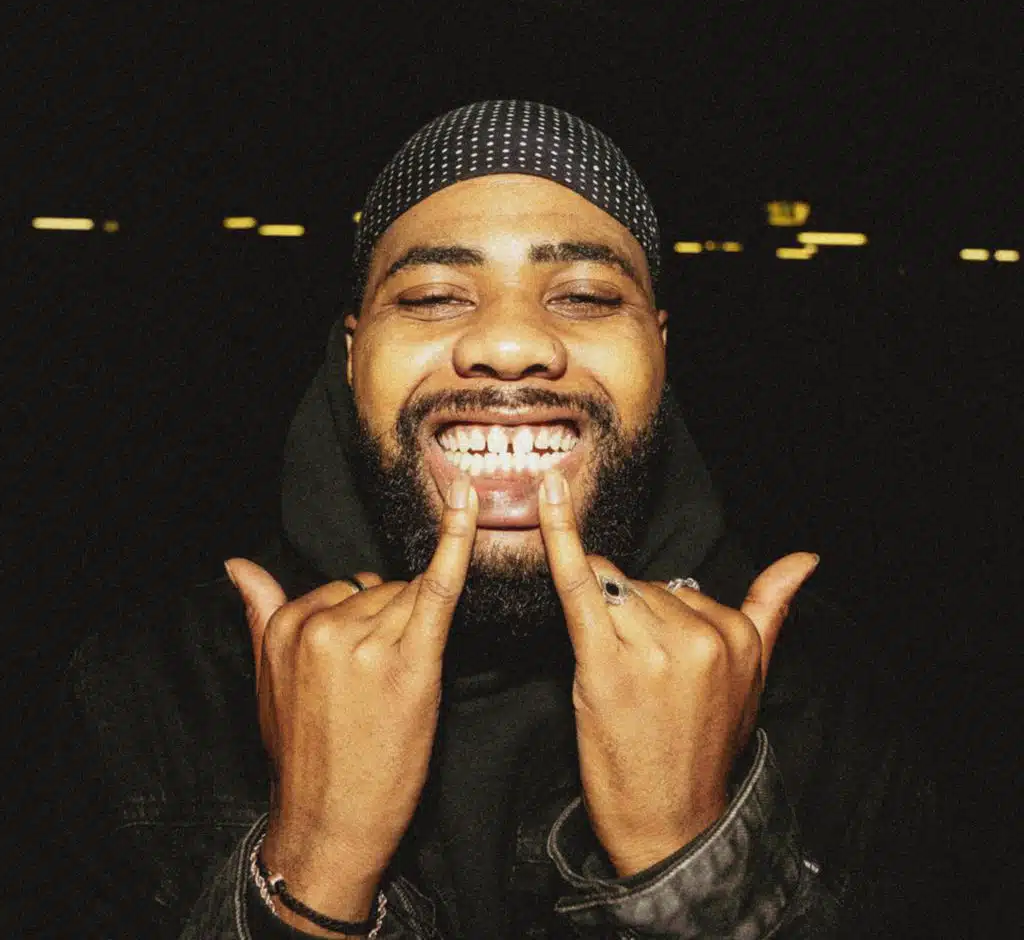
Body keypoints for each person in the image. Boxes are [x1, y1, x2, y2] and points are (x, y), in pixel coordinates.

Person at [51, 100, 942, 939]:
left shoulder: (827, 698)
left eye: (586, 296)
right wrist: (316, 864)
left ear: (660, 352)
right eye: (432, 296)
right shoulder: (144, 692)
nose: (510, 345)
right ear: (353, 356)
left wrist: (697, 871)